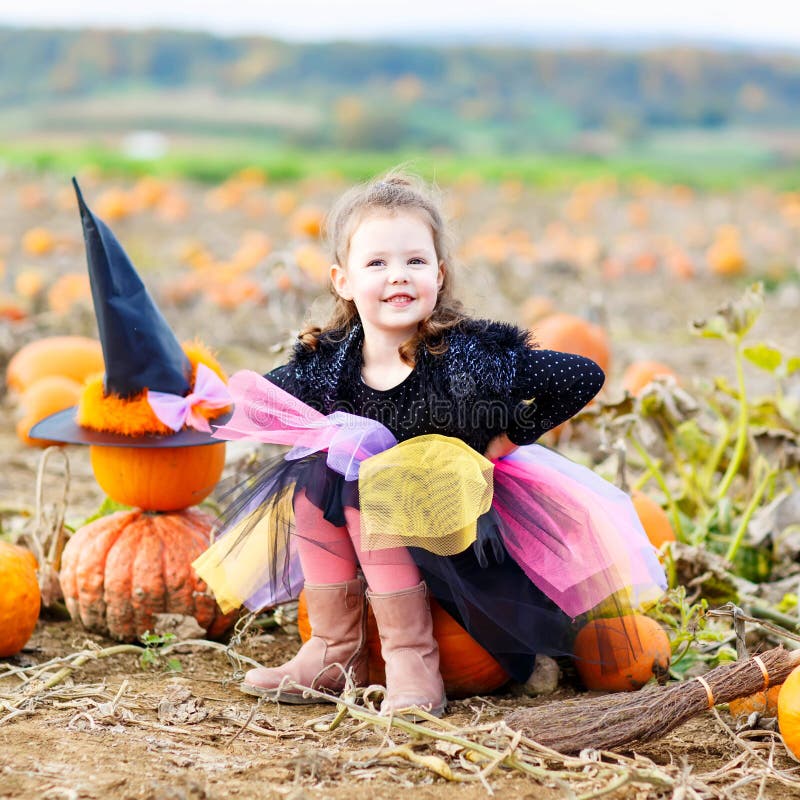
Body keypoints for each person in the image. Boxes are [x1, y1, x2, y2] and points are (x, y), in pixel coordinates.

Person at [193, 170, 666, 718]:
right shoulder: (329, 364)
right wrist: (192, 398)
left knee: (373, 484)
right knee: (319, 471)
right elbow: (260, 402)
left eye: (415, 261)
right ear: (342, 280)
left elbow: (580, 375)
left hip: (459, 545)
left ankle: (413, 663)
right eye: (377, 263)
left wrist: (506, 437)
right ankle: (331, 652)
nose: (398, 276)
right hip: (371, 541)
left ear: (439, 275)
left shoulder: (468, 358)